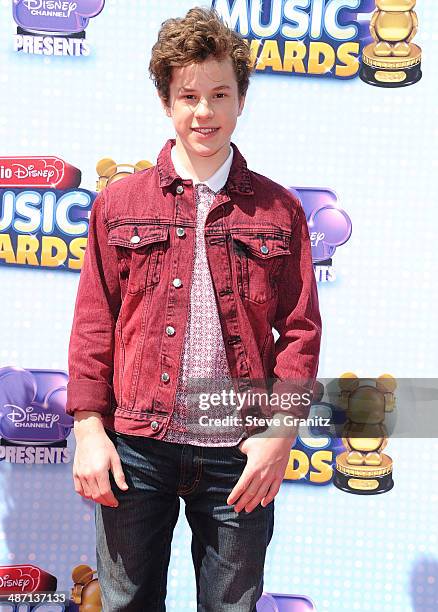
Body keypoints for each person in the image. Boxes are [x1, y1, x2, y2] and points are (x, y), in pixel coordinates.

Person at [66, 6, 322, 612]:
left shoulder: (279, 211)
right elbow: (94, 321)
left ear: (240, 101)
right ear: (167, 102)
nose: (204, 111)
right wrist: (87, 428)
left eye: (219, 94)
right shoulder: (120, 203)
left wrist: (280, 434)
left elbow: (301, 331)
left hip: (238, 454)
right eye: (189, 96)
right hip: (136, 449)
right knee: (126, 603)